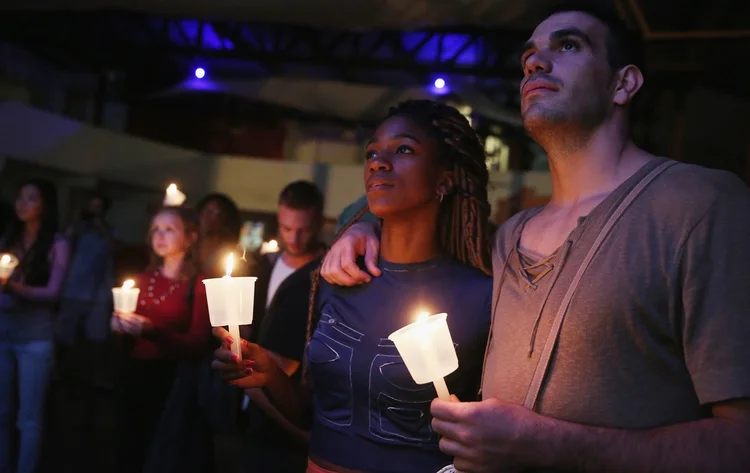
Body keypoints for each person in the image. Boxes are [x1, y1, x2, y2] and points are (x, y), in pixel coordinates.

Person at [319, 4, 750, 473]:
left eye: (568, 45)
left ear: (623, 83)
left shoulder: (699, 204)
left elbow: (740, 442)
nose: (536, 63)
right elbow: (424, 225)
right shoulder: (510, 237)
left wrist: (550, 446)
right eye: (529, 56)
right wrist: (361, 225)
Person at [213, 100, 495, 473]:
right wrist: (268, 372)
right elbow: (310, 413)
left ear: (444, 177)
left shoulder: (480, 295)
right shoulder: (337, 280)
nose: (378, 161)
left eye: (404, 149)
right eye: (371, 153)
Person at [111, 206, 212, 473]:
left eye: (169, 229)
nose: (160, 236)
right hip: (134, 376)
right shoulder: (143, 279)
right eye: (156, 229)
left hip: (170, 381)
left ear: (191, 237)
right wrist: (121, 328)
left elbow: (198, 343)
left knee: (164, 451)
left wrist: (152, 330)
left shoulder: (199, 284)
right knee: (129, 448)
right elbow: (127, 342)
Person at [240, 180, 326, 473]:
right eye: (287, 228)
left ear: (319, 222)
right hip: (251, 400)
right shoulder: (266, 265)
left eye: (303, 229)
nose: (294, 237)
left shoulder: (327, 273)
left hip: (294, 400)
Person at [0, 179, 69, 473]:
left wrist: (14, 287)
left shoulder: (57, 244)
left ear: (45, 206)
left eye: (31, 198)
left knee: (28, 417)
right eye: (20, 197)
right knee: (2, 412)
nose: (22, 203)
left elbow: (53, 292)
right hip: (4, 333)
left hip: (35, 339)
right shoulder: (8, 241)